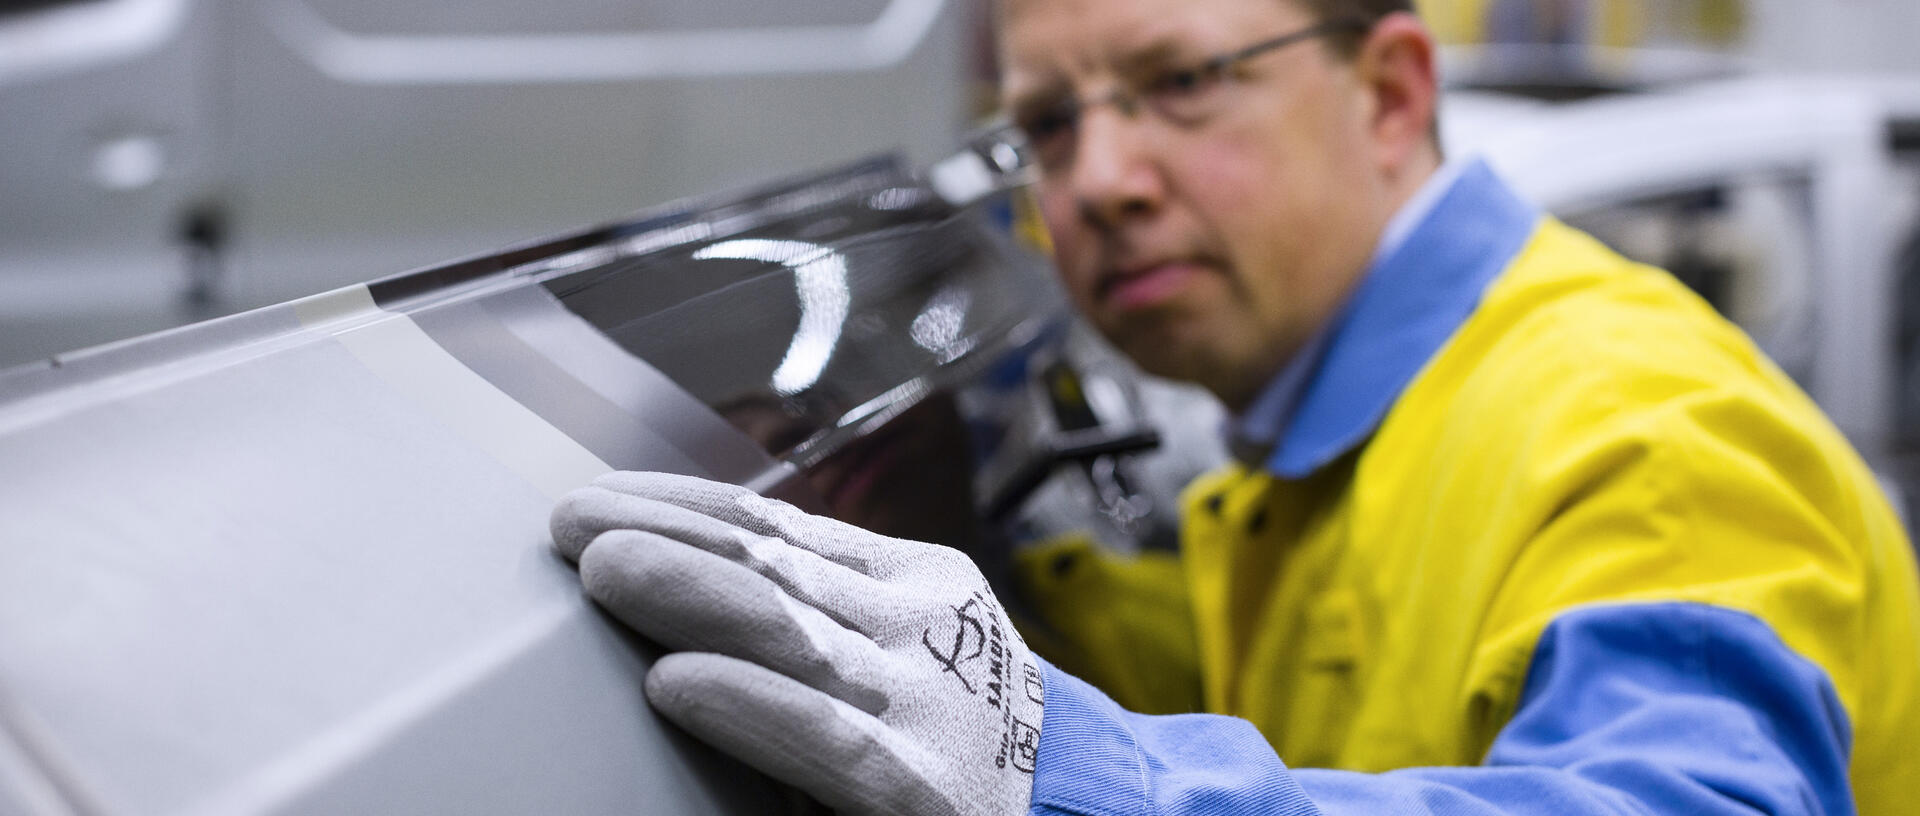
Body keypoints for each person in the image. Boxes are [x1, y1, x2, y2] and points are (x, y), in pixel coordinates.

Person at [547, 0, 1920, 813]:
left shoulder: (1635, 426)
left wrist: (1057, 761)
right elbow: (1354, 707)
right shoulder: (1325, 422)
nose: (1100, 182)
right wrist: (990, 579)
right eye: (1051, 126)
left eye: (1181, 84)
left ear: (1388, 95)